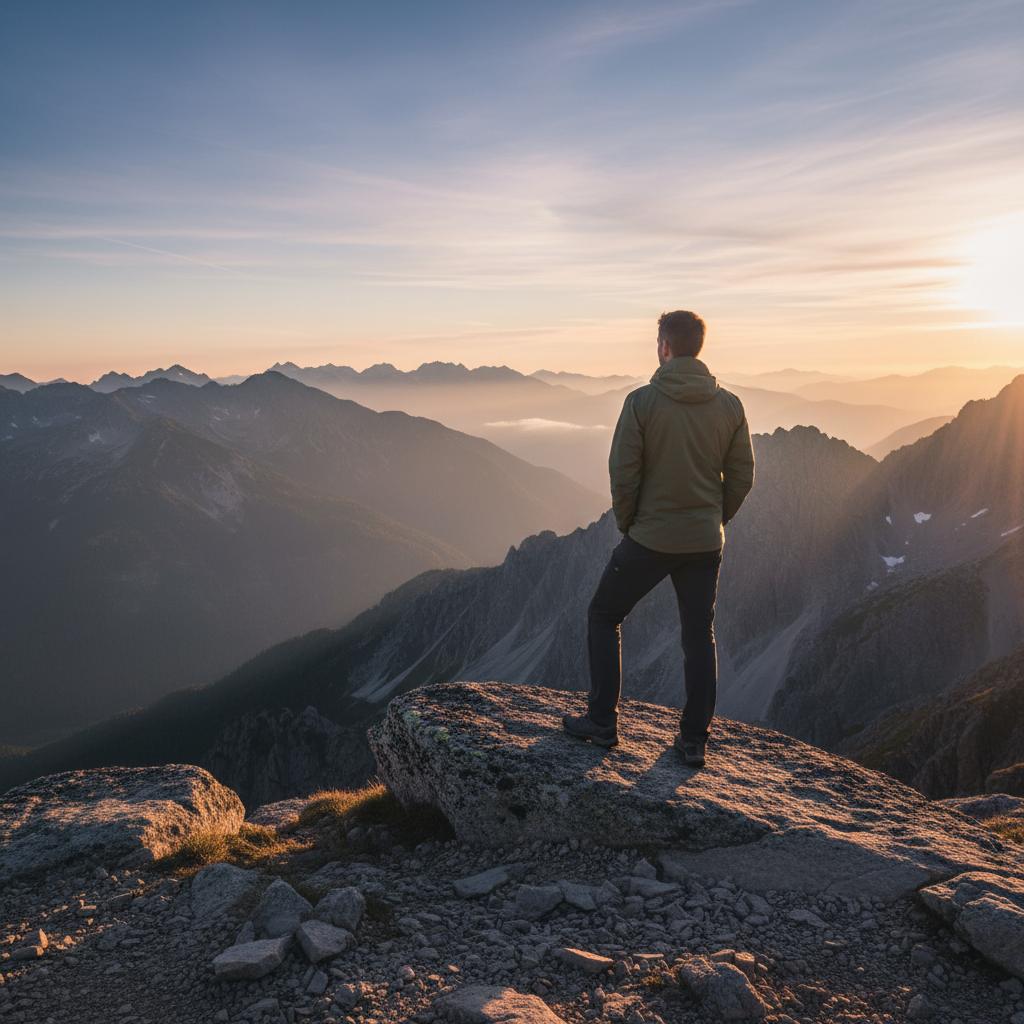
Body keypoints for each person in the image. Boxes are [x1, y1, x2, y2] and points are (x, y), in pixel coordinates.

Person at [562, 310, 754, 766]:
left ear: (665, 347)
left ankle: (602, 723)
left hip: (649, 538)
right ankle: (693, 740)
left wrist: (629, 524)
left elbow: (623, 471)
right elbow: (743, 475)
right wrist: (714, 518)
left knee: (604, 614)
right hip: (705, 543)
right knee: (698, 635)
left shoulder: (641, 402)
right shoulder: (729, 405)